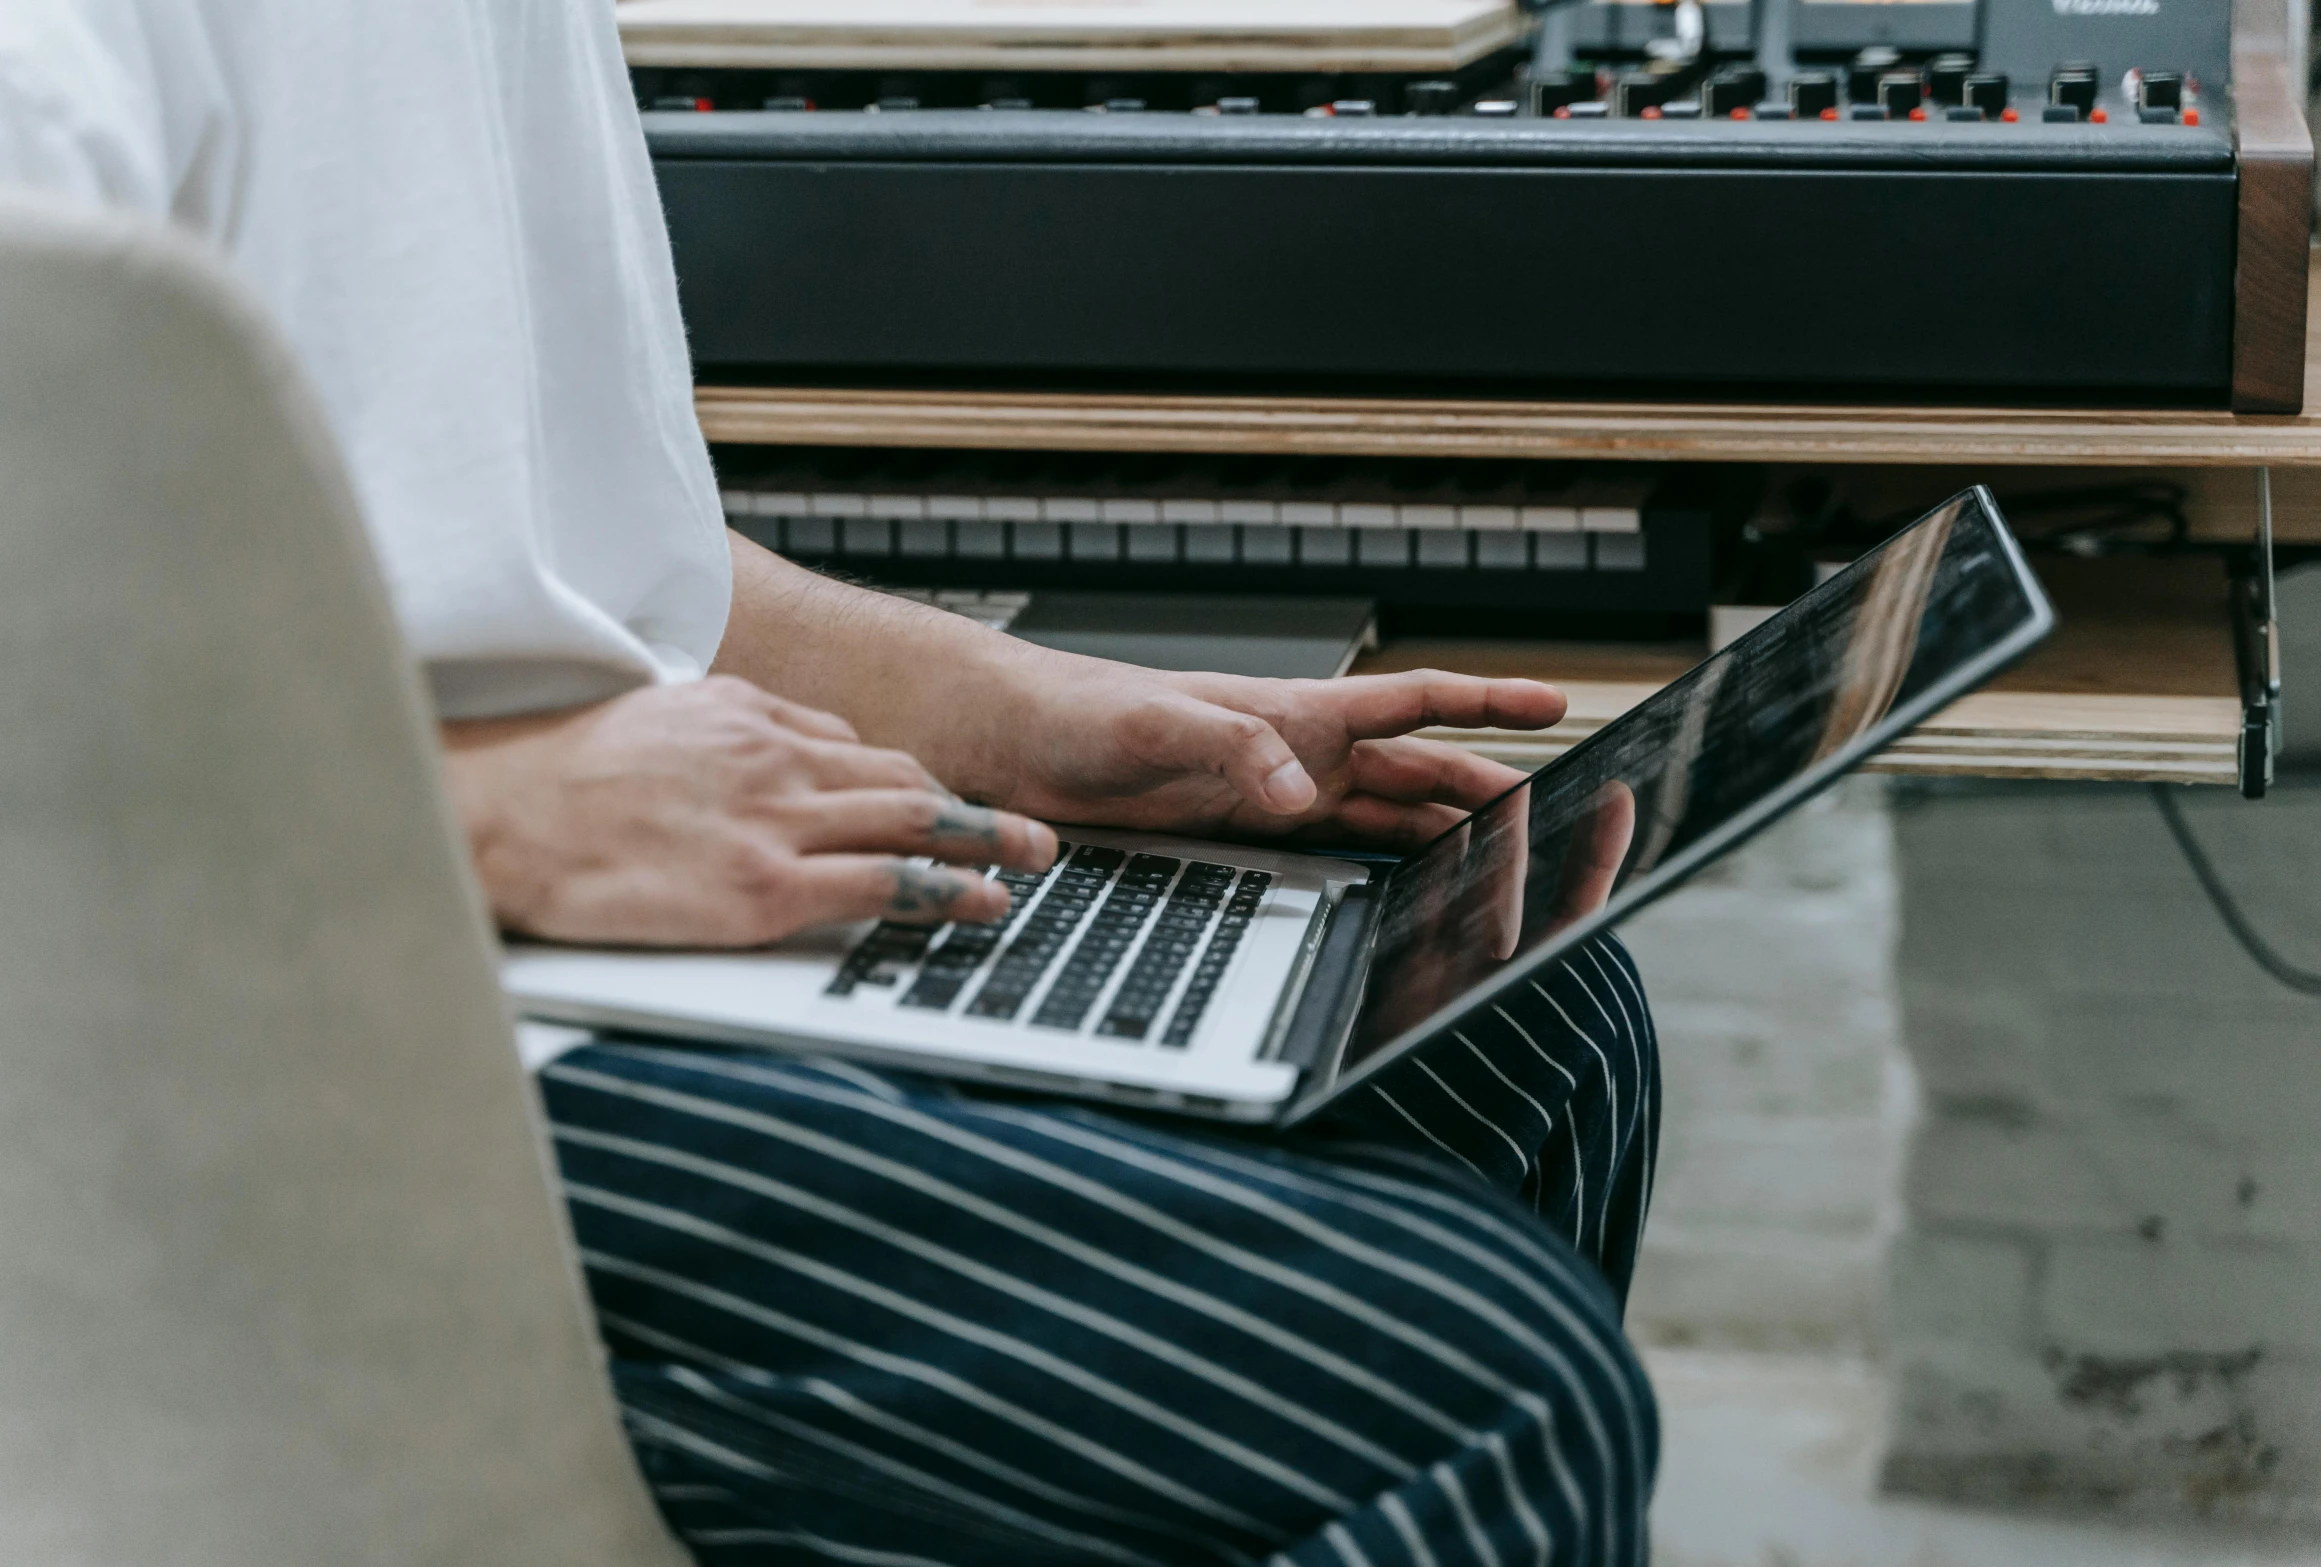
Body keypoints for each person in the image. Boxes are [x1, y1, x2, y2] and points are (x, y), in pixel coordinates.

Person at [0, 3, 1662, 1562]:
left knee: (1524, 1016)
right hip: (259, 1032)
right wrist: (476, 815)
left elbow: (576, 560)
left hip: (557, 937)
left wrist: (1022, 708)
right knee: (1477, 1396)